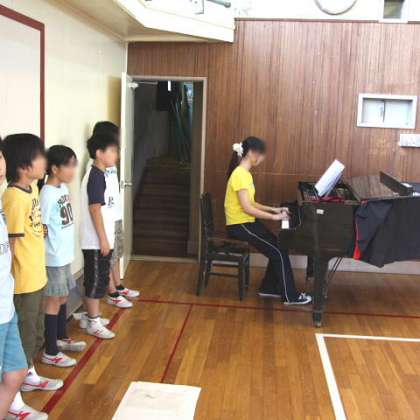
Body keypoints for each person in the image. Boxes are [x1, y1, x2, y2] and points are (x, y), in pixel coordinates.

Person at [2, 134, 61, 419]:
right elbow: (11, 246)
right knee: (23, 338)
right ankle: (13, 400)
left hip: (37, 276)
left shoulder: (32, 189)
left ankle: (29, 375)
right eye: (40, 157)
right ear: (25, 166)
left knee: (34, 334)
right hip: (23, 283)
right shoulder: (13, 197)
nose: (44, 161)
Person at [224, 137, 312, 305]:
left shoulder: (245, 174)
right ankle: (290, 296)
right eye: (262, 155)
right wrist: (274, 217)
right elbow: (247, 208)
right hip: (239, 225)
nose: (263, 159)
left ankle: (268, 287)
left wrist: (274, 210)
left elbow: (251, 203)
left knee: (279, 246)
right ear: (251, 153)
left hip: (247, 222)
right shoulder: (240, 175)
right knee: (278, 252)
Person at [40, 146, 86, 368]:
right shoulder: (47, 193)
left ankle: (61, 337)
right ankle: (50, 351)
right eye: (69, 165)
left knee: (64, 296)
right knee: (54, 300)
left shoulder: (63, 188)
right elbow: (41, 227)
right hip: (54, 257)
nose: (73, 170)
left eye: (74, 165)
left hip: (65, 255)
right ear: (55, 168)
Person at [92, 121, 140, 308]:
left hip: (115, 214)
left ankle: (119, 286)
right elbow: (96, 203)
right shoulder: (96, 168)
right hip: (106, 218)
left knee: (117, 253)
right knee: (109, 257)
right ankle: (112, 292)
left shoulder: (111, 165)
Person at [80, 133, 119, 339]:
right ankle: (93, 322)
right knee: (95, 281)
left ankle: (90, 316)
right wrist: (103, 239)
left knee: (97, 279)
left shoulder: (99, 174)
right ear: (99, 153)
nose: (115, 155)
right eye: (112, 151)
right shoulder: (95, 176)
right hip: (94, 241)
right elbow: (95, 209)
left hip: (98, 239)